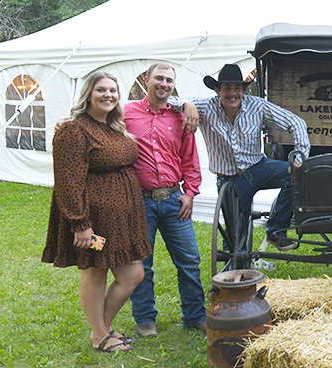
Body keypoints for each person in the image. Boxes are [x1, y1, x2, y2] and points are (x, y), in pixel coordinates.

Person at [42, 72, 151, 352]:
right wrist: (80, 224)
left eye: (113, 90)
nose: (108, 95)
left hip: (120, 220)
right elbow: (68, 181)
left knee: (132, 274)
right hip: (94, 221)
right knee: (95, 273)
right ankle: (100, 335)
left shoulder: (114, 127)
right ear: (88, 94)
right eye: (101, 90)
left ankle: (101, 330)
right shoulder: (74, 130)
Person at [169, 64, 310, 250]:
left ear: (243, 90)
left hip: (259, 167)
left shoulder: (257, 106)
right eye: (227, 88)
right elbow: (168, 100)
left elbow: (296, 122)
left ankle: (276, 230)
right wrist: (187, 105)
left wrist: (299, 160)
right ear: (218, 90)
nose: (232, 94)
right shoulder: (205, 107)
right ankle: (235, 267)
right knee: (236, 239)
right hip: (230, 179)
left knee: (297, 176)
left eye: (237, 88)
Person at [125, 63, 206, 337]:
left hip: (174, 200)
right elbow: (95, 120)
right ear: (146, 79)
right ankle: (145, 319)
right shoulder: (126, 113)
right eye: (158, 78)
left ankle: (195, 316)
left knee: (189, 261)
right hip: (139, 203)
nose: (163, 83)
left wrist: (190, 192)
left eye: (169, 80)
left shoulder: (180, 117)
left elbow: (190, 159)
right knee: (141, 265)